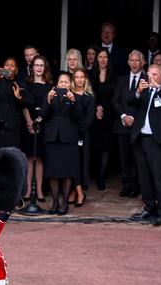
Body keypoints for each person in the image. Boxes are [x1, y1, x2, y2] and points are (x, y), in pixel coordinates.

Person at [127, 63, 161, 226]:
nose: (151, 78)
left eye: (155, 75)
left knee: (159, 177)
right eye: (149, 74)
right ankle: (149, 208)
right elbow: (129, 101)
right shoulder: (144, 90)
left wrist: (159, 88)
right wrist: (138, 91)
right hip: (141, 138)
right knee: (145, 177)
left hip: (157, 141)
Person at [42, 72, 84, 215]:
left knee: (67, 172)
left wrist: (73, 102)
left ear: (70, 84)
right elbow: (43, 115)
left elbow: (79, 117)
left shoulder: (75, 97)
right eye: (61, 82)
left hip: (68, 139)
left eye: (66, 82)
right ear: (56, 84)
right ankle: (54, 203)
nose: (64, 84)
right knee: (52, 172)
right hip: (52, 138)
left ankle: (64, 203)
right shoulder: (50, 97)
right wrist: (48, 100)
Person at [114, 50, 148, 199]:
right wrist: (123, 116)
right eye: (132, 61)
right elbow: (114, 101)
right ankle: (126, 185)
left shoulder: (147, 78)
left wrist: (134, 118)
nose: (134, 63)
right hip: (122, 124)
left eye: (137, 61)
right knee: (123, 157)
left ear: (142, 63)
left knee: (136, 157)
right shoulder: (121, 79)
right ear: (128, 62)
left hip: (138, 125)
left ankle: (135, 186)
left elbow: (146, 103)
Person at [20, 56, 53, 202]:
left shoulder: (49, 85)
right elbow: (24, 104)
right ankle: (28, 190)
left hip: (44, 123)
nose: (39, 68)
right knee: (29, 157)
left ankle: (39, 190)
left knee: (39, 157)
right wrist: (29, 122)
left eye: (41, 65)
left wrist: (38, 121)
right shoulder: (26, 83)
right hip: (28, 123)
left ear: (44, 68)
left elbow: (49, 106)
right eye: (36, 65)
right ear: (32, 67)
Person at [0, 58, 26, 151]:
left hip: (13, 127)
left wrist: (19, 97)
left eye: (12, 65)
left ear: (16, 69)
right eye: (7, 65)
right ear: (3, 68)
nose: (9, 67)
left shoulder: (21, 84)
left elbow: (29, 103)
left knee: (12, 156)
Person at [89, 48, 117, 190]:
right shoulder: (90, 74)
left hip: (109, 114)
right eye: (100, 57)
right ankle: (93, 174)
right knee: (95, 146)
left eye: (105, 57)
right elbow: (89, 94)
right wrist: (97, 107)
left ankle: (101, 177)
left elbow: (115, 96)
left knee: (106, 147)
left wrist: (104, 108)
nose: (102, 59)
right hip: (93, 113)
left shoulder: (114, 75)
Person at [70, 70, 97, 206]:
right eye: (77, 77)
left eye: (82, 77)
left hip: (84, 134)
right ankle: (77, 192)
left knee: (82, 163)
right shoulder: (70, 95)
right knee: (72, 163)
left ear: (85, 79)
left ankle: (78, 192)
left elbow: (90, 119)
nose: (79, 80)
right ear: (73, 79)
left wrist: (80, 130)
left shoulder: (90, 96)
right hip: (70, 134)